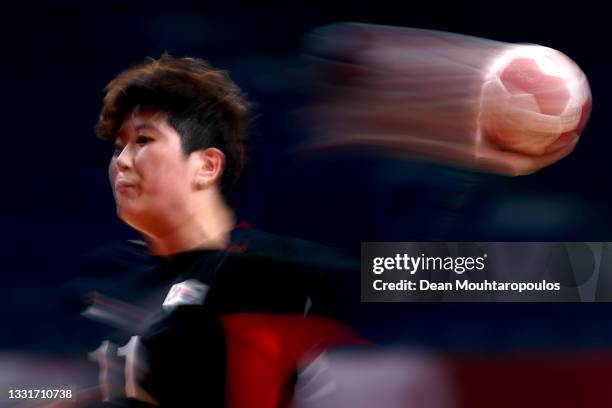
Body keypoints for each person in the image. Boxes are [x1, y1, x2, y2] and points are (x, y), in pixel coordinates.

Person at [64, 54, 362, 408]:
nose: (122, 161)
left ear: (207, 166)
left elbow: (434, 273)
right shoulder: (107, 273)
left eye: (143, 140)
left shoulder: (271, 269)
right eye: (118, 147)